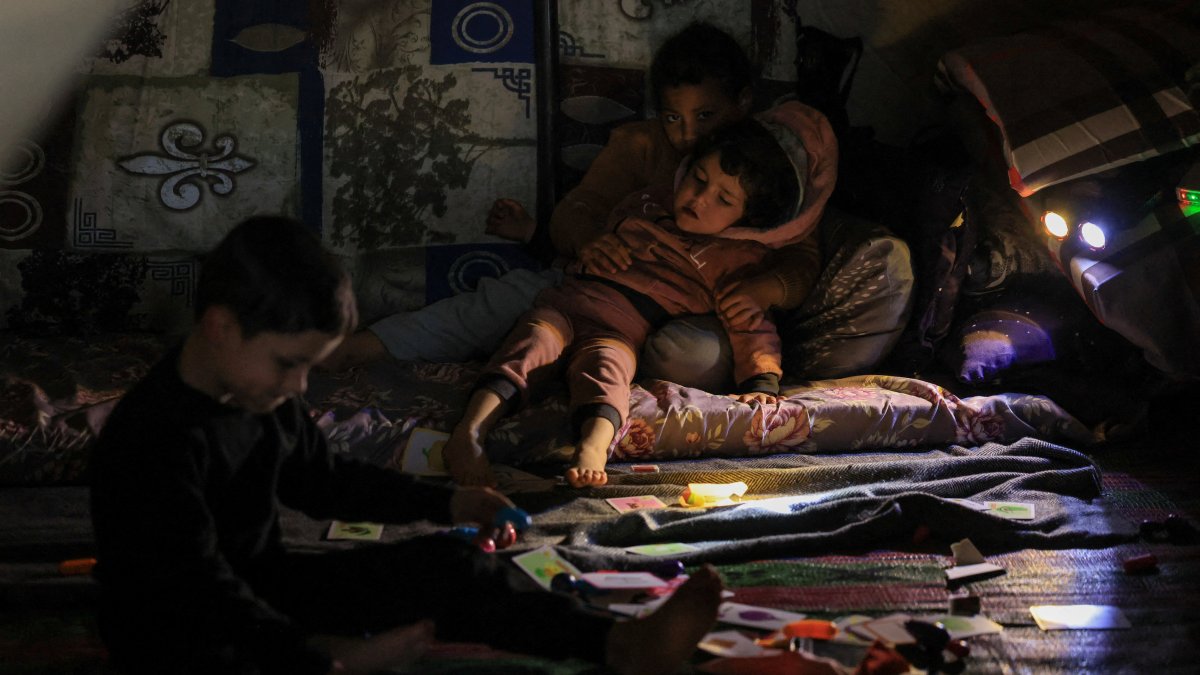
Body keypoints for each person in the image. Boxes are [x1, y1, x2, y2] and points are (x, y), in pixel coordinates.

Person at [88, 215, 724, 675]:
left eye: (309, 368)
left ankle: (621, 647)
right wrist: (328, 658)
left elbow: (323, 480)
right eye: (288, 364)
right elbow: (197, 591)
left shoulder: (264, 398)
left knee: (453, 565)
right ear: (222, 328)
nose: (299, 386)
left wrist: (448, 504)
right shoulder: (154, 439)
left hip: (258, 584)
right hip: (174, 627)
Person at [323, 22, 829, 393]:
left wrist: (764, 289)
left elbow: (802, 257)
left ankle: (584, 368)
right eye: (674, 117)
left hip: (685, 312)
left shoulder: (769, 168)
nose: (689, 135)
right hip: (591, 286)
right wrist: (590, 239)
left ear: (742, 104)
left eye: (706, 116)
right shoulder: (641, 146)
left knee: (695, 355)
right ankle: (356, 349)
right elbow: (578, 208)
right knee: (493, 304)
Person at [444, 101, 838, 489]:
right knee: (528, 346)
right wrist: (546, 235)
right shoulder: (646, 204)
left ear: (746, 218)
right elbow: (579, 247)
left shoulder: (734, 259)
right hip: (563, 307)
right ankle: (471, 433)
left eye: (723, 200)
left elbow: (751, 322)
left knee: (606, 375)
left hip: (618, 334)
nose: (699, 199)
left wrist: (761, 384)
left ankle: (592, 450)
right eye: (698, 179)